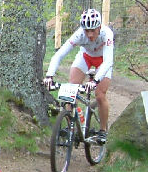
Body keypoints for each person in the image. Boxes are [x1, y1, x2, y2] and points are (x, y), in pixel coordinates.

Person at [44, 8, 114, 143]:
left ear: (99, 27)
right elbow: (59, 54)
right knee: (71, 89)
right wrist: (49, 76)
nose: (90, 34)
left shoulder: (107, 34)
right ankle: (71, 126)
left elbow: (108, 61)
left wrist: (95, 81)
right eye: (87, 31)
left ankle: (103, 130)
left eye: (93, 30)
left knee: (100, 95)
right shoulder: (79, 34)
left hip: (103, 61)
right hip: (85, 57)